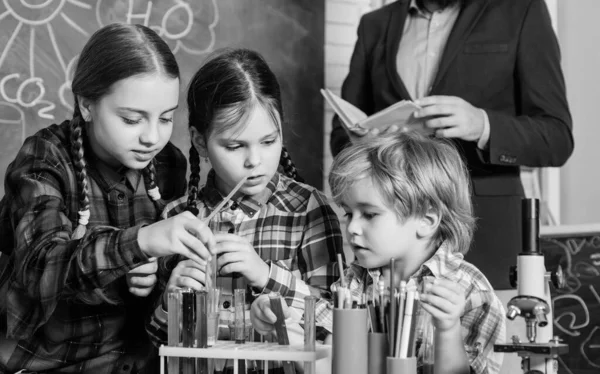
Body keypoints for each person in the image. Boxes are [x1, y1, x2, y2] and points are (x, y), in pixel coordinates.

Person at [0, 23, 216, 373]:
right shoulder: (45, 159)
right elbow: (41, 270)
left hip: (139, 363)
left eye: (165, 118)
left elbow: (160, 284)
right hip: (44, 364)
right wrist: (142, 241)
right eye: (132, 119)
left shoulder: (168, 164)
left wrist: (165, 278)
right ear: (86, 104)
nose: (152, 137)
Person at [329, 0, 574, 289]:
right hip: (393, 245)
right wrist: (369, 144)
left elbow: (556, 137)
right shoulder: (375, 25)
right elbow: (341, 135)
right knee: (390, 332)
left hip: (488, 232)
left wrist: (482, 124)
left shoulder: (521, 10)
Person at [253, 131, 507, 374]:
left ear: (427, 220)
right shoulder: (356, 281)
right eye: (349, 213)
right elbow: (332, 364)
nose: (352, 228)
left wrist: (448, 329)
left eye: (370, 214)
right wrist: (284, 327)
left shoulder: (471, 293)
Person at [145, 48, 344, 358]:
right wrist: (171, 301)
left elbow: (337, 326)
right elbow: (154, 344)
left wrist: (265, 275)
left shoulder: (308, 210)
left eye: (269, 141)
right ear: (200, 142)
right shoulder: (177, 219)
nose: (255, 161)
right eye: (235, 146)